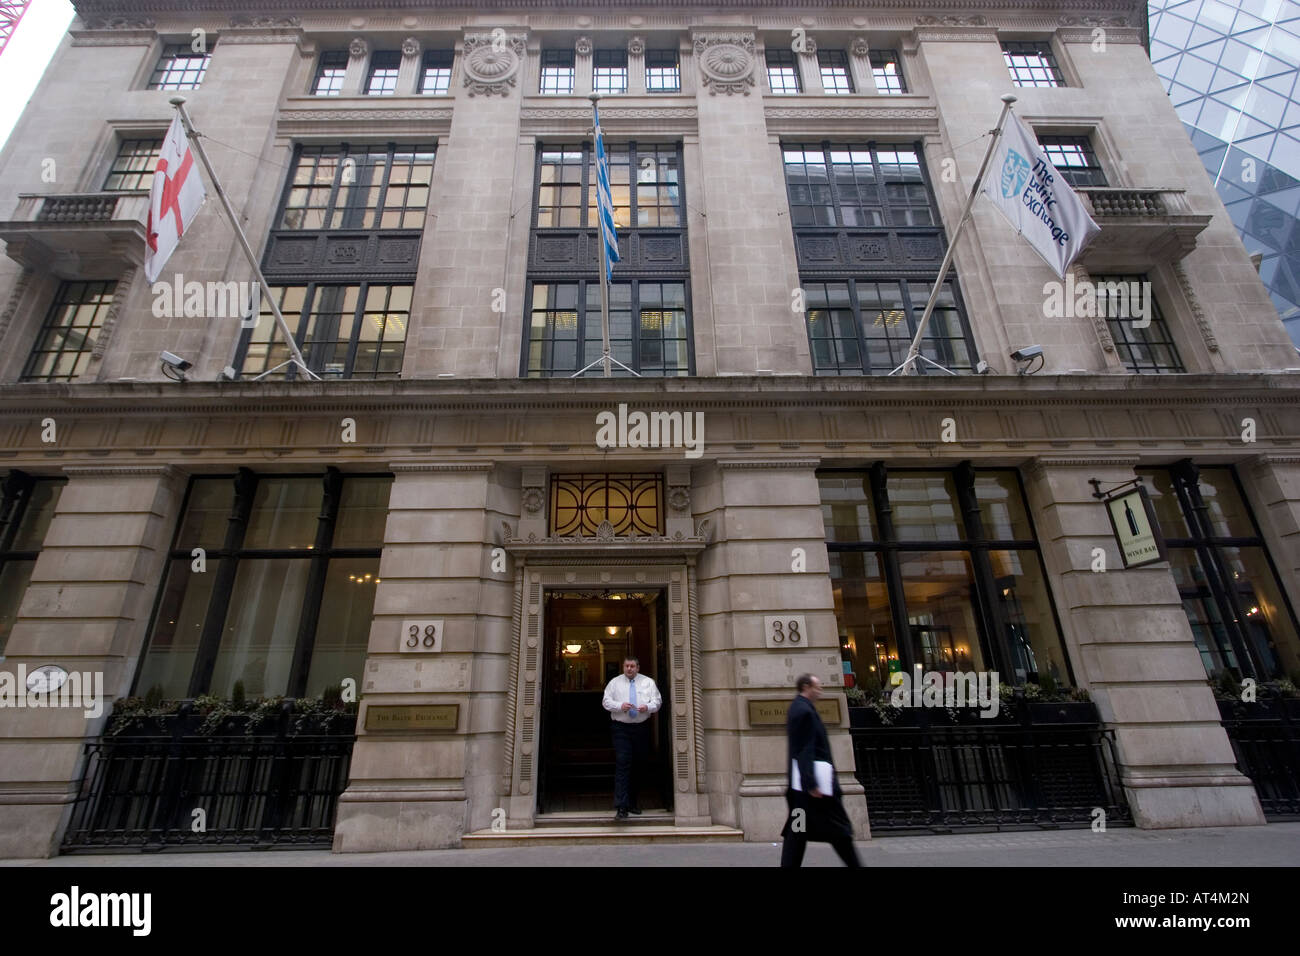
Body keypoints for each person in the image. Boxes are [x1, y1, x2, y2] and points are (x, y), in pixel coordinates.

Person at [780, 673, 862, 867]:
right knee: (839, 832)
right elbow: (804, 750)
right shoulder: (803, 711)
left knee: (797, 832)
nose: (821, 690)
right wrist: (812, 784)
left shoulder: (799, 708)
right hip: (814, 790)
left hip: (803, 790)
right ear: (806, 687)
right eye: (818, 686)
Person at [601, 656, 661, 820]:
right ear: (623, 667)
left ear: (638, 667)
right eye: (627, 666)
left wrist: (647, 707)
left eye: (632, 666)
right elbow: (606, 702)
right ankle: (621, 806)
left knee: (638, 764)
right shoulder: (615, 682)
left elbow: (657, 701)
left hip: (641, 728)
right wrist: (620, 706)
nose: (629, 669)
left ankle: (632, 803)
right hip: (621, 728)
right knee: (623, 762)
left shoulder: (648, 682)